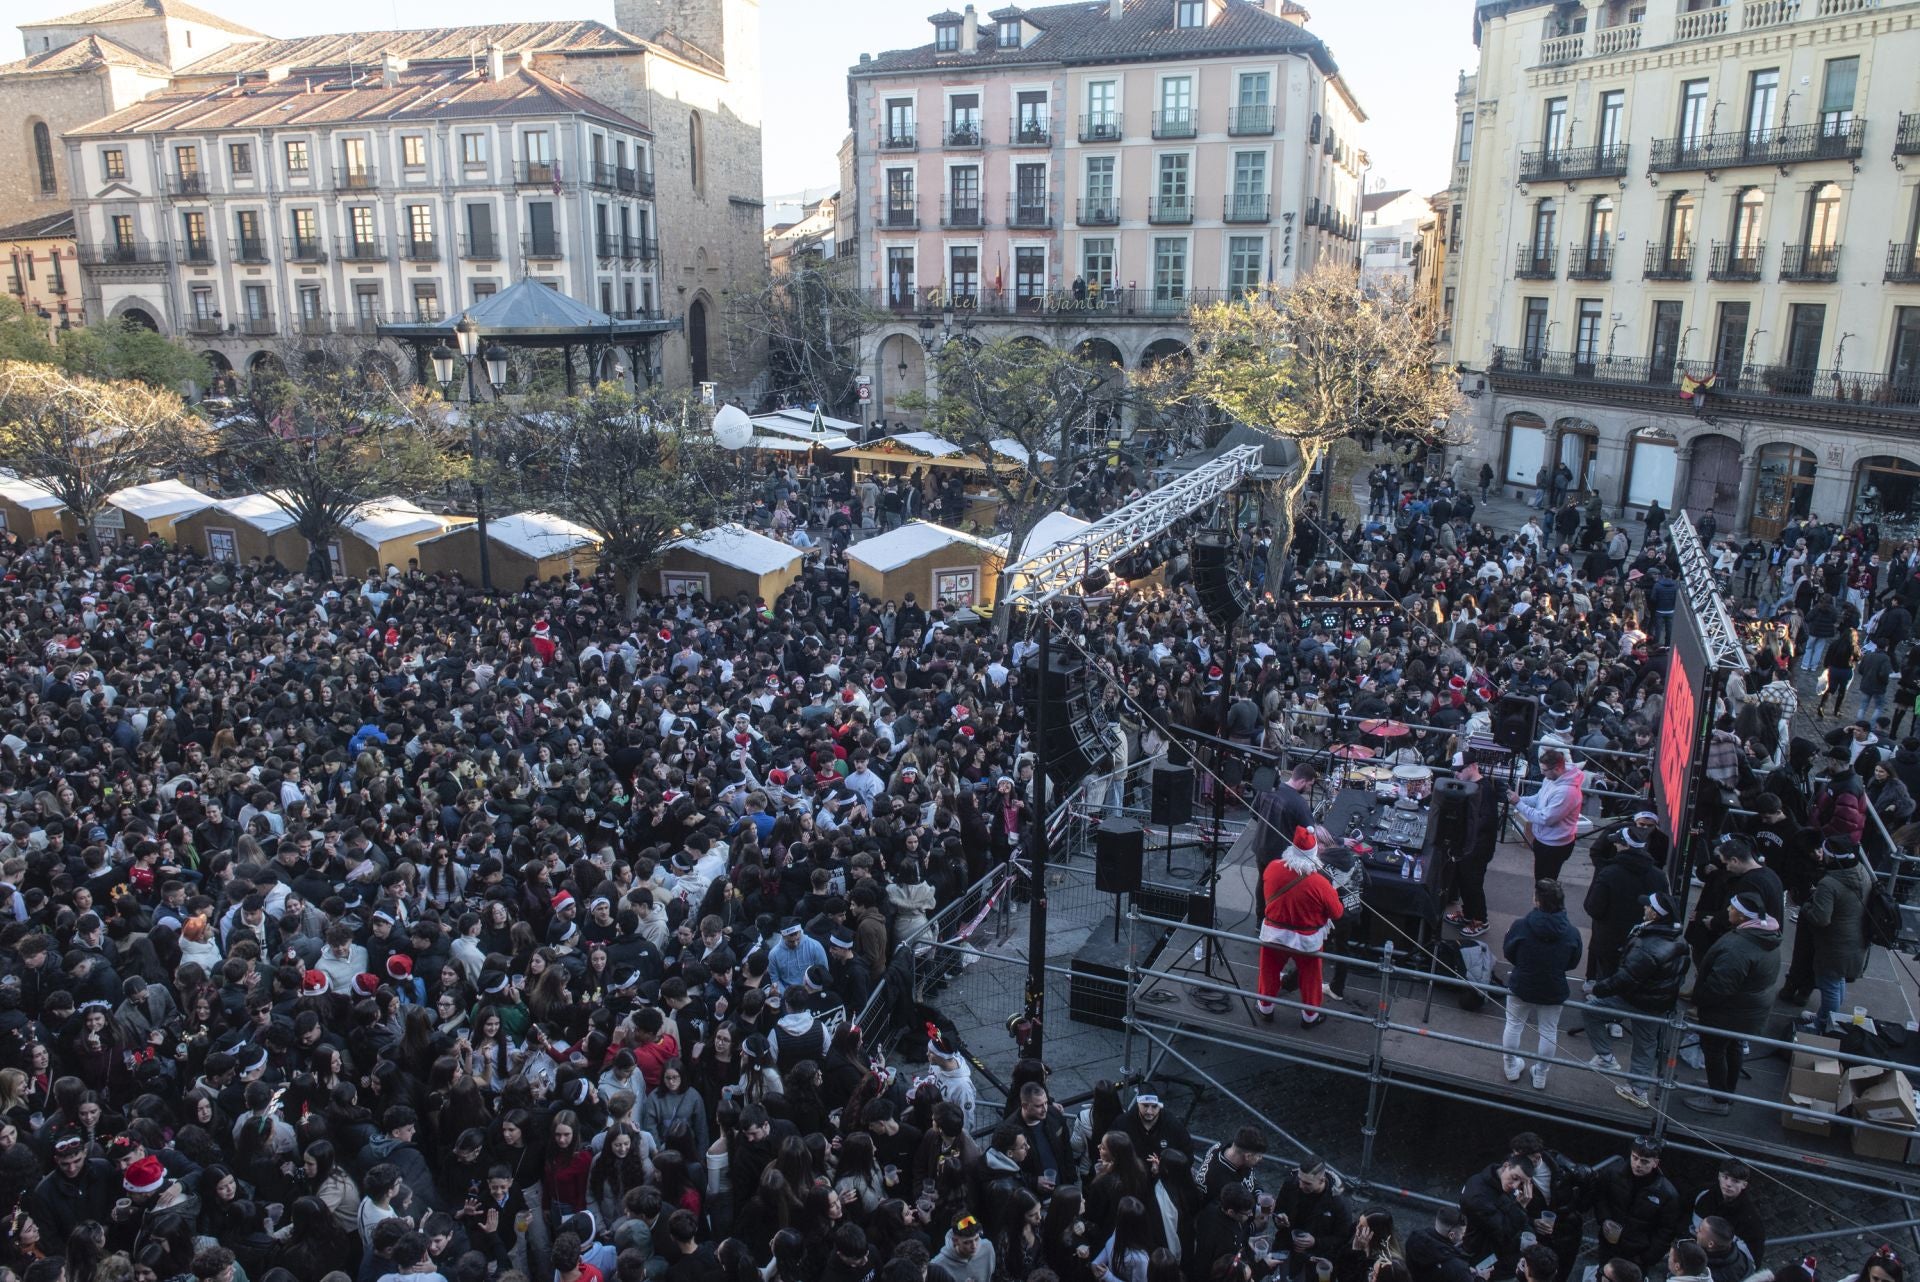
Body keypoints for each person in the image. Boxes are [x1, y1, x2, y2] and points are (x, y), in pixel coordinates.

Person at [1583, 893, 1689, 1110]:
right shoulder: (1678, 939)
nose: (1644, 909)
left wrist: (1598, 988)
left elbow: (1625, 978)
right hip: (1659, 1003)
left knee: (1591, 1010)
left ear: (1656, 914)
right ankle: (1639, 1089)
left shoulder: (1648, 944)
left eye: (1648, 906)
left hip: (1635, 999)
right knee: (1646, 1043)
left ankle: (1605, 1056)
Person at [1683, 891, 1781, 1114]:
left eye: (1732, 908)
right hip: (1747, 1011)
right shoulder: (1766, 936)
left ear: (1743, 917)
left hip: (1728, 1013)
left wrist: (1700, 1000)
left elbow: (1720, 987)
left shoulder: (1738, 947)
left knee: (1715, 1050)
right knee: (1733, 1047)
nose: (1728, 910)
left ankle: (1719, 1100)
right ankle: (1725, 1090)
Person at [1256, 827, 1346, 1028]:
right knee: (1311, 977)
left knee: (1269, 971)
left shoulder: (1272, 868)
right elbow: (1337, 913)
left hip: (1274, 934)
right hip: (1307, 939)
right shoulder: (1320, 883)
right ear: (1314, 853)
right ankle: (1310, 1017)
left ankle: (1265, 1008)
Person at [1499, 880, 1583, 1090]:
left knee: (1513, 1025)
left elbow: (1509, 951)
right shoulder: (1572, 933)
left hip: (1522, 983)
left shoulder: (1520, 926)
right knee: (1548, 1030)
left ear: (1537, 901)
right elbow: (1573, 961)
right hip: (1553, 987)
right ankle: (1541, 1074)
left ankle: (1510, 1066)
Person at [1797, 836, 1875, 1030]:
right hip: (1856, 942)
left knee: (1830, 984)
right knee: (1837, 980)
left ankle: (1823, 1023)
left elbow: (1821, 918)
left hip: (1835, 946)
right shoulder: (1862, 872)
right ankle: (1826, 1015)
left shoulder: (1829, 884)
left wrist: (1807, 905)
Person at [1589, 1138, 1678, 1272]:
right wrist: (1604, 1219)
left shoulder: (1667, 1193)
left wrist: (1647, 1258)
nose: (1637, 1164)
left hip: (1637, 1254)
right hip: (1609, 1245)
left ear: (1655, 1163)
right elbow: (1600, 1198)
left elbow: (1666, 1231)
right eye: (1634, 1158)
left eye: (1644, 1161)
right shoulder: (1612, 1173)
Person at [1511, 750, 1585, 884]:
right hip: (1544, 840)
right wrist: (1520, 799)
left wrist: (1518, 803)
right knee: (1540, 878)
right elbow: (1539, 798)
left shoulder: (1567, 792)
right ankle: (1541, 901)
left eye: (1544, 770)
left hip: (1554, 846)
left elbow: (1545, 819)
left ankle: (1544, 903)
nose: (1542, 773)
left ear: (1556, 769)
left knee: (1546, 882)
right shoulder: (1550, 778)